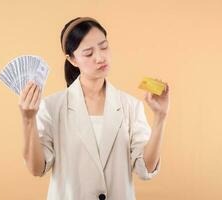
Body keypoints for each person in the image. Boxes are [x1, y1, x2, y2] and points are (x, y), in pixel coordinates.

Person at [19, 17, 170, 200]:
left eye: (104, 46)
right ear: (72, 60)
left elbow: (145, 169)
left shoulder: (130, 106)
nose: (100, 57)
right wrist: (28, 120)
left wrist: (160, 117)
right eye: (88, 53)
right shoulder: (52, 107)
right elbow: (37, 169)